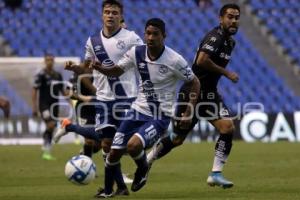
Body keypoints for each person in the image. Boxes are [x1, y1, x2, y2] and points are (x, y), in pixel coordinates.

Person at [92, 18, 200, 197]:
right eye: (148, 33)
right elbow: (117, 71)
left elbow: (194, 82)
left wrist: (189, 111)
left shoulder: (174, 60)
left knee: (133, 146)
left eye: (155, 34)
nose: (150, 37)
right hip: (137, 111)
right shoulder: (136, 52)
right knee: (113, 154)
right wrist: (101, 68)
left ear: (164, 36)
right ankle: (109, 192)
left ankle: (142, 170)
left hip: (160, 116)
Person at [146, 3, 240, 189]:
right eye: (230, 17)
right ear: (220, 19)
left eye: (237, 17)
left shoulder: (230, 41)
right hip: (192, 93)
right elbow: (201, 60)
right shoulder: (215, 37)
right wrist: (226, 73)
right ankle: (146, 161)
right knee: (176, 139)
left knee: (227, 127)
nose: (234, 21)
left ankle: (215, 173)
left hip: (210, 94)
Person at [54, 0, 143, 196]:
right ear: (102, 15)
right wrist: (74, 68)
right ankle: (118, 187)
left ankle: (141, 168)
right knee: (106, 144)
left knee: (126, 144)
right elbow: (87, 68)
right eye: (107, 12)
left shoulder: (131, 38)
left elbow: (145, 60)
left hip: (126, 97)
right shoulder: (92, 41)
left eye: (114, 12)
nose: (110, 15)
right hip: (103, 99)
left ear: (121, 16)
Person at [32, 54, 68, 160]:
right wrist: (34, 107)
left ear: (54, 61)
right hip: (44, 105)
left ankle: (45, 143)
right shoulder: (40, 75)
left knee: (51, 128)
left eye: (51, 60)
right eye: (47, 60)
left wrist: (70, 101)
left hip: (55, 105)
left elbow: (63, 91)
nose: (49, 62)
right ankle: (47, 152)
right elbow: (34, 90)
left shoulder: (58, 75)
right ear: (44, 61)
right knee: (51, 125)